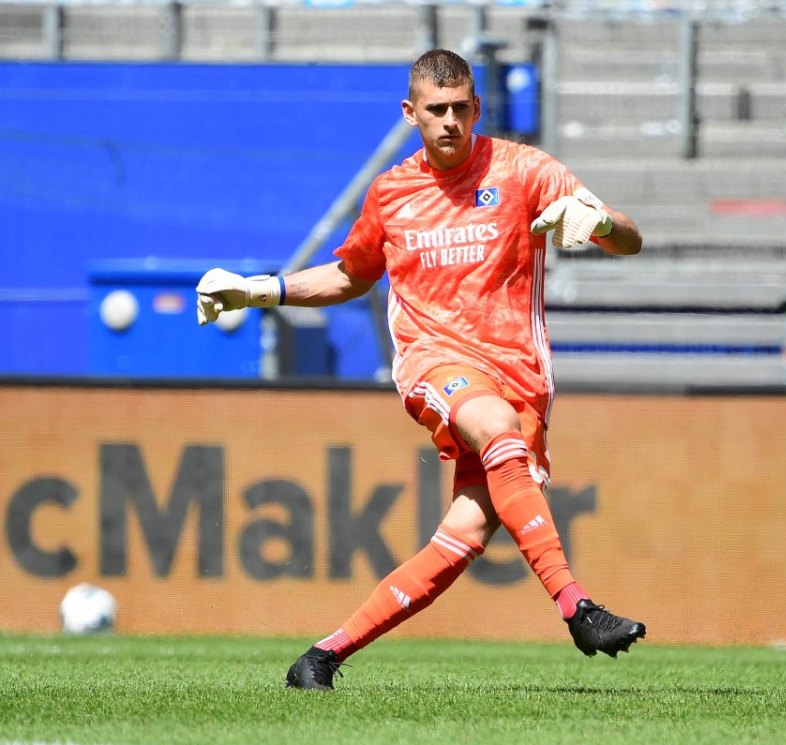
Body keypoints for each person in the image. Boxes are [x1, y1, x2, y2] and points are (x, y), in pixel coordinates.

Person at [195, 49, 646, 691]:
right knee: (491, 424)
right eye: (437, 110)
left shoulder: (524, 171)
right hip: (436, 365)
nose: (451, 121)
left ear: (478, 109)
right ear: (411, 114)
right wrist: (259, 290)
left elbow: (630, 239)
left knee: (461, 534)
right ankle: (577, 608)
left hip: (521, 378)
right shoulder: (392, 192)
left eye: (462, 108)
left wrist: (599, 221)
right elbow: (351, 274)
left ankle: (320, 658)